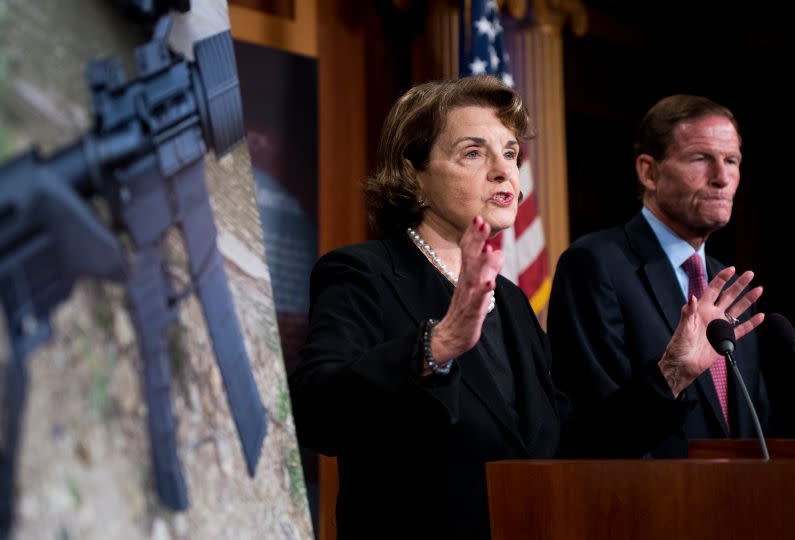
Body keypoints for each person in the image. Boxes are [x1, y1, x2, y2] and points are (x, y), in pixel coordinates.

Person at [289, 78, 762, 540]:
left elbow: (568, 444)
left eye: (511, 153)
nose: (504, 172)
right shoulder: (362, 274)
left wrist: (671, 374)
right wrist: (437, 346)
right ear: (413, 173)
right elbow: (316, 413)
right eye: (474, 153)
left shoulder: (511, 301)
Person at [548, 94, 769, 458]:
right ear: (649, 172)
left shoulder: (727, 286)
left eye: (732, 160)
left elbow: (753, 421)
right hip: (650, 504)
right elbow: (592, 426)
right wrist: (672, 375)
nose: (722, 177)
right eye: (701, 159)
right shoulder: (594, 265)